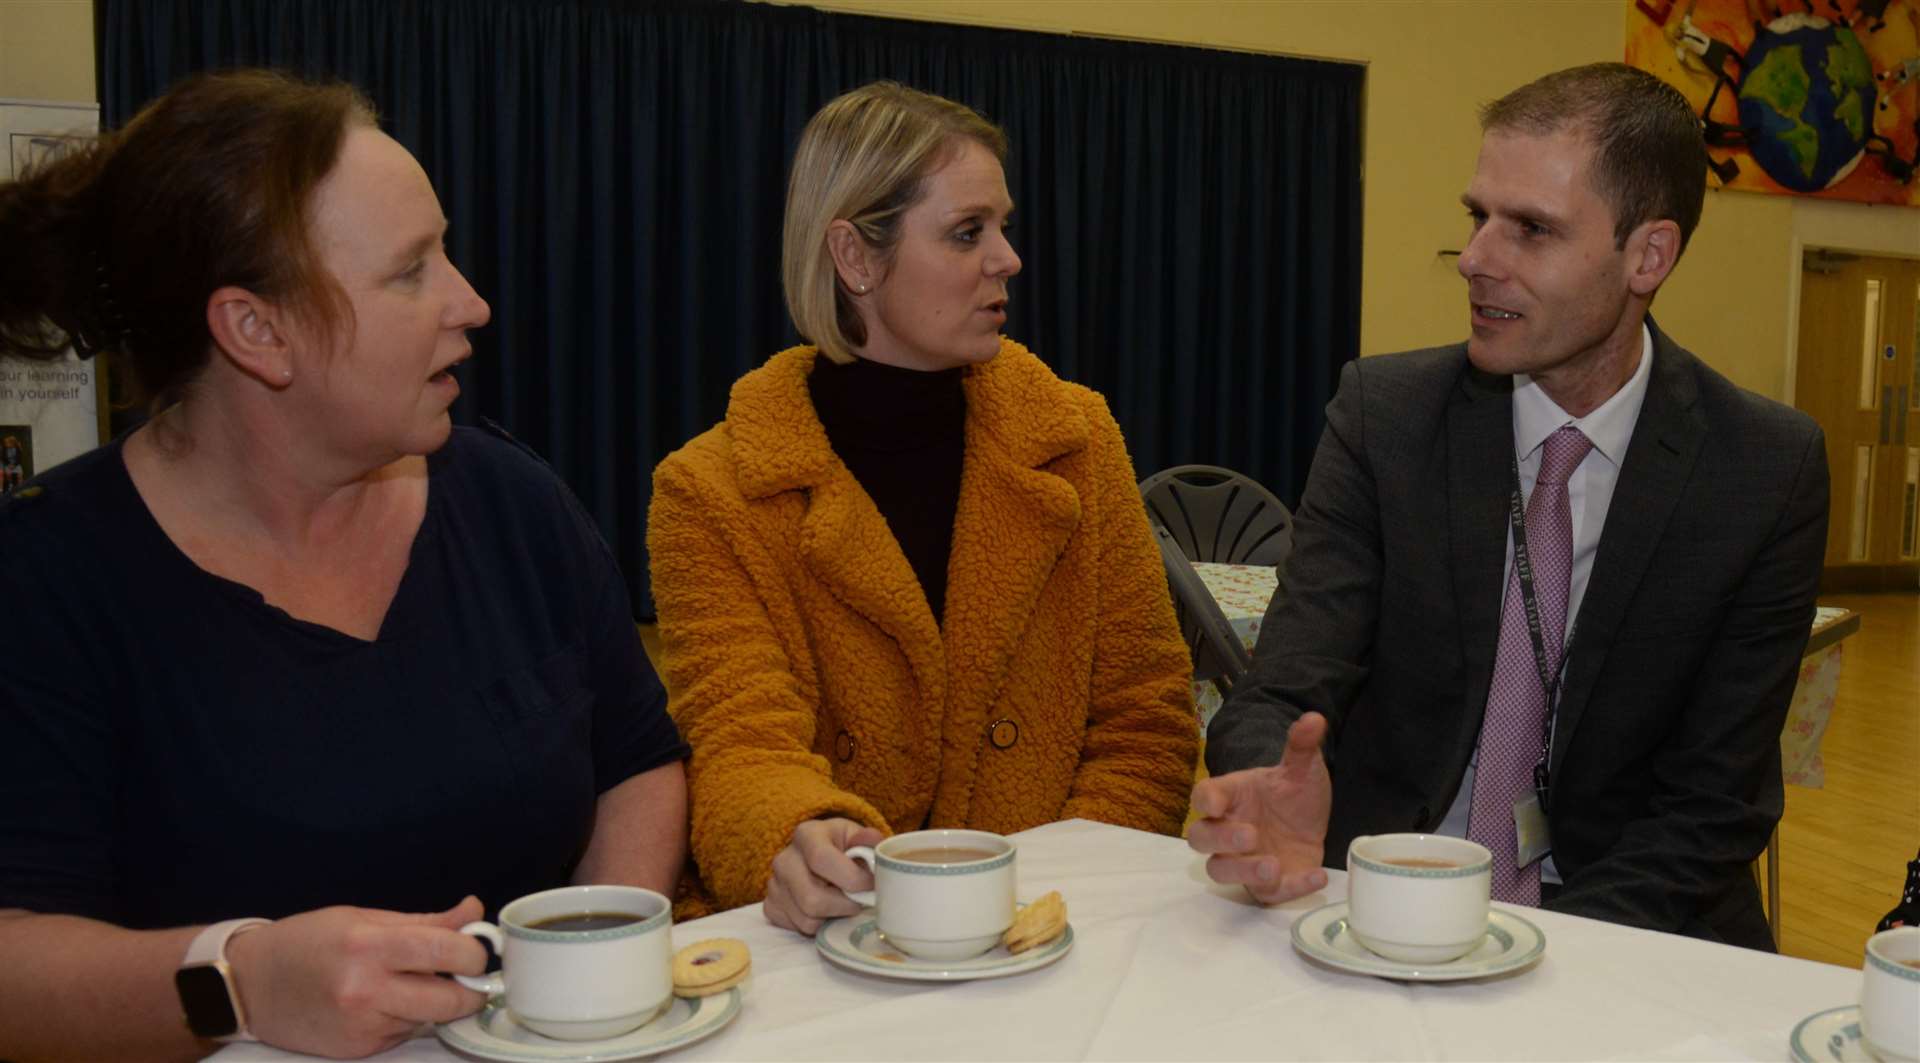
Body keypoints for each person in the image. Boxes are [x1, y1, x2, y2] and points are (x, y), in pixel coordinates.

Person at [0, 71, 689, 1059]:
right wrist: (239, 980)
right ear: (256, 330)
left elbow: (635, 759)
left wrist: (581, 978)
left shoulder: (508, 501)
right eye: (411, 270)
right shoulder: (47, 582)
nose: (472, 302)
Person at [1190, 62, 1828, 952]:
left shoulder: (1763, 466)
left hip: (1635, 926)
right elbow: (1290, 683)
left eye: (1530, 228)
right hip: (1389, 903)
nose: (1479, 258)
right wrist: (1266, 778)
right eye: (1476, 217)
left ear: (1649, 255)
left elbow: (1716, 804)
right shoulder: (1387, 415)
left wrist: (1535, 957)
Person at [648, 82, 1197, 931]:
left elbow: (1146, 722)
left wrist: (1040, 904)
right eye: (967, 232)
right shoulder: (711, 491)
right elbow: (740, 746)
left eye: (1004, 226)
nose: (1009, 257)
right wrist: (803, 839)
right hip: (834, 948)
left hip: (1060, 935)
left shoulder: (1077, 439)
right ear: (855, 257)